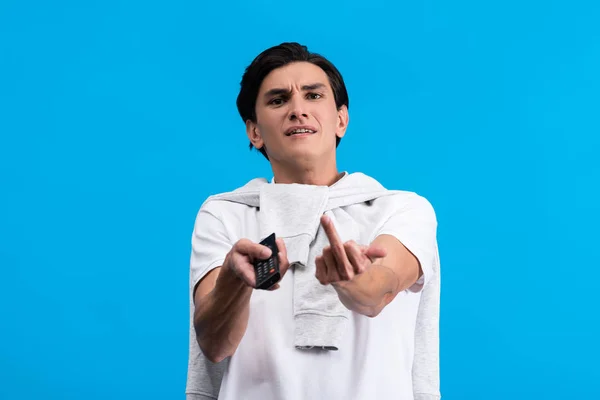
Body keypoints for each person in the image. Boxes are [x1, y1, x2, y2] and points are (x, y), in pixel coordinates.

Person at [186, 42, 441, 400]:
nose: (297, 110)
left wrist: (352, 280)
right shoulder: (226, 215)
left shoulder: (402, 209)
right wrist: (232, 281)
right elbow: (212, 344)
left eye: (313, 95)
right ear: (254, 131)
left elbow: (379, 290)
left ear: (341, 119)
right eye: (278, 100)